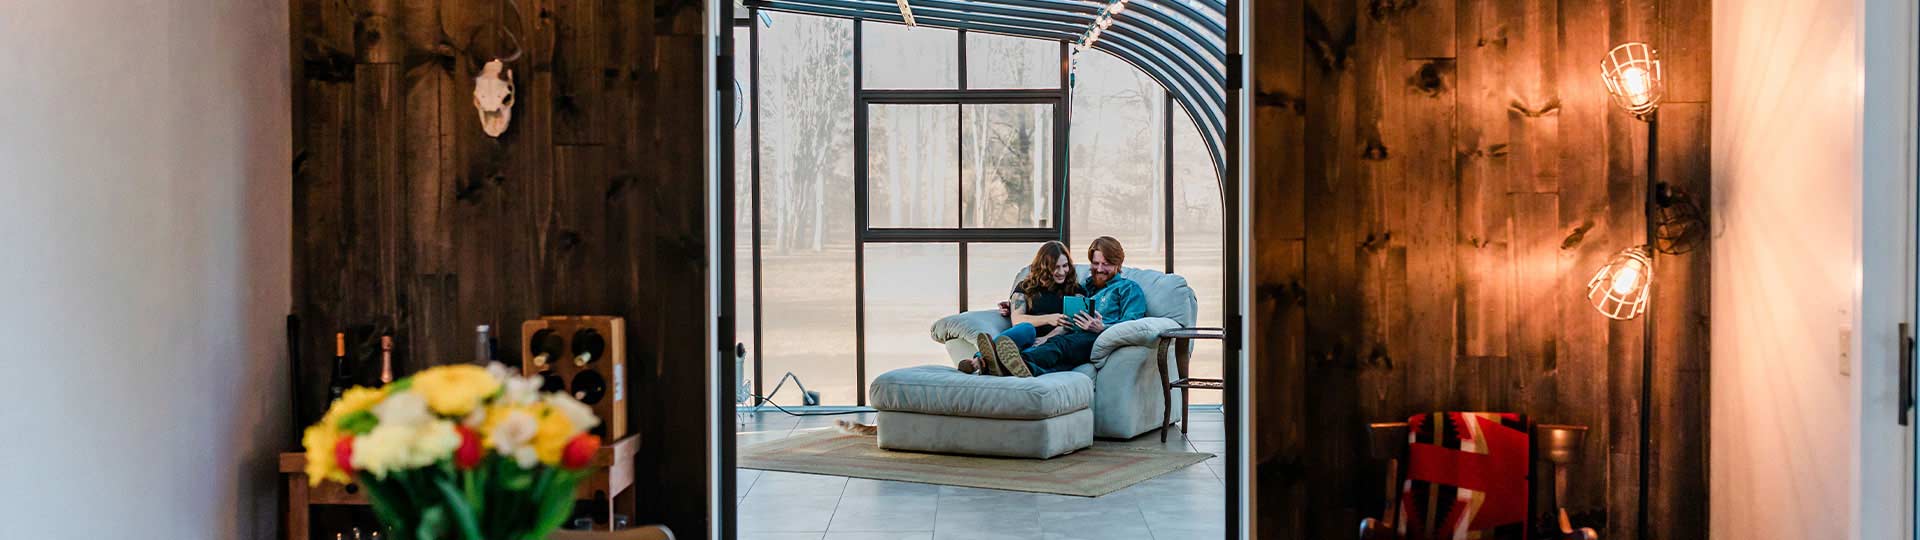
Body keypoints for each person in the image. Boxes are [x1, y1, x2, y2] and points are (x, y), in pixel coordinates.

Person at [978, 236, 1148, 377]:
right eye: (1096, 263)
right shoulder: (1085, 286)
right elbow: (1058, 304)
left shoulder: (1129, 289)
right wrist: (1013, 307)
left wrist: (1102, 328)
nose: (1099, 269)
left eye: (1106, 264)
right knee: (1044, 340)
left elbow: (1132, 326)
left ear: (1118, 264)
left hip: (1091, 337)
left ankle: (1007, 362)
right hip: (1070, 334)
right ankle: (1002, 363)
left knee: (1060, 344)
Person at [958, 241, 1083, 375]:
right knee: (1027, 328)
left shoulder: (1075, 290)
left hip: (1051, 341)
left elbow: (1070, 324)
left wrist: (1047, 338)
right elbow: (1017, 320)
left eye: (1065, 266)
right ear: (1044, 267)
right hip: (1023, 337)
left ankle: (988, 363)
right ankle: (981, 358)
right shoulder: (1025, 287)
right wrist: (1048, 319)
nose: (1062, 272)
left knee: (1040, 349)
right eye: (1056, 267)